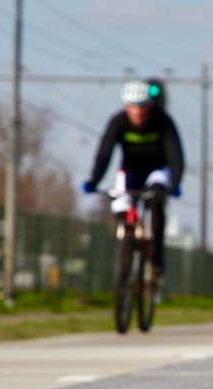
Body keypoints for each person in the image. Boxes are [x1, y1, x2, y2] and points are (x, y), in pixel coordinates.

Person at [81, 80, 185, 279]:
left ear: (150, 106)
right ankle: (125, 250)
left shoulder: (162, 122)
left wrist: (175, 184)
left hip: (157, 171)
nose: (138, 112)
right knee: (121, 207)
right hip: (130, 171)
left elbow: (175, 156)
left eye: (142, 107)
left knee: (155, 203)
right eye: (133, 107)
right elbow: (104, 153)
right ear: (125, 107)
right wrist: (93, 180)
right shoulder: (118, 122)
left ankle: (156, 260)